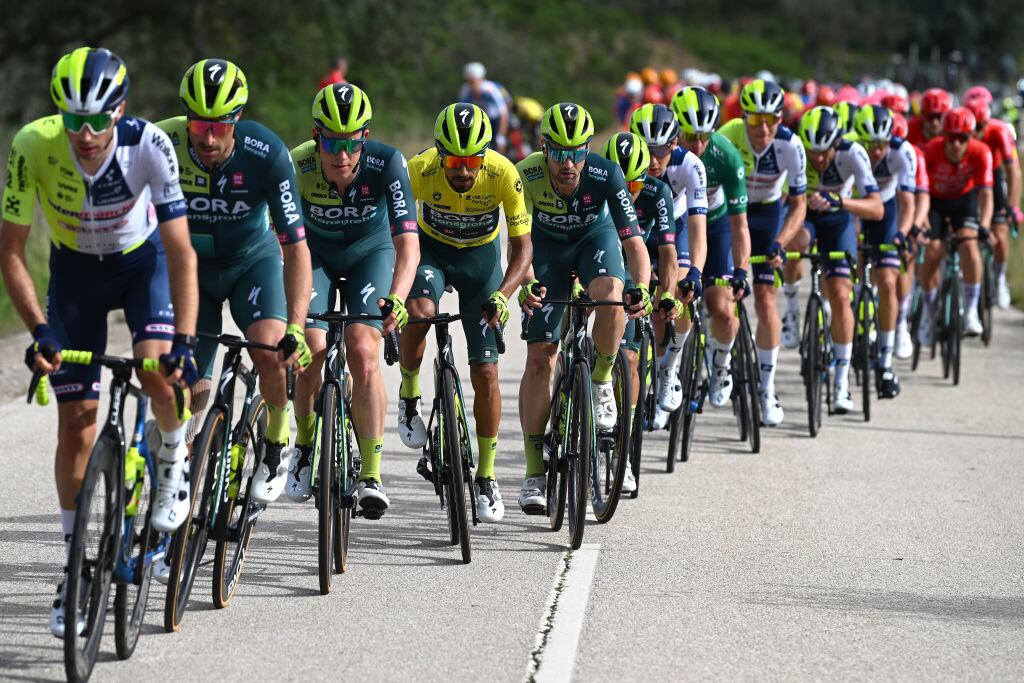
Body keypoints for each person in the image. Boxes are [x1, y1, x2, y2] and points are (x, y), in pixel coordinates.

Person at [0, 47, 198, 636]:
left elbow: (182, 252)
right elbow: (11, 252)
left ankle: (173, 454)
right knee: (77, 418)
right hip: (76, 274)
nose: (85, 135)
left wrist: (184, 340)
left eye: (97, 121)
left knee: (155, 369)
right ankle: (75, 566)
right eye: (72, 120)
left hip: (143, 266)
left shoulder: (149, 147)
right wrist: (39, 330)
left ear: (121, 111)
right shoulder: (33, 145)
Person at [157, 58, 312, 510]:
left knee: (269, 348)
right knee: (183, 379)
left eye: (218, 125)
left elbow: (296, 247)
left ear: (236, 119)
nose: (206, 137)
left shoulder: (267, 153)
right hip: (191, 272)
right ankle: (182, 469)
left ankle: (276, 439)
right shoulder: (161, 143)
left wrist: (297, 326)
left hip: (251, 262)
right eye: (198, 124)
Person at [288, 83, 419, 515]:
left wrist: (398, 299)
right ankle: (304, 447)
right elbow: (279, 243)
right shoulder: (297, 165)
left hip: (371, 253)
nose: (341, 155)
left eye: (351, 144)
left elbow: (407, 245)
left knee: (364, 351)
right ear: (315, 137)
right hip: (317, 255)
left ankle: (371, 473)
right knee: (312, 348)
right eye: (330, 143)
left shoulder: (387, 163)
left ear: (365, 138)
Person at [399, 103, 533, 523]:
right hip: (432, 255)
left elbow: (524, 247)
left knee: (487, 372)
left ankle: (487, 477)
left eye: (472, 161)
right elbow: (393, 230)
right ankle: (408, 396)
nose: (463, 170)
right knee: (419, 312)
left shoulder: (503, 173)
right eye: (454, 161)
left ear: (484, 156)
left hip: (480, 263)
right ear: (439, 154)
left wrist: (505, 295)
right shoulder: (418, 169)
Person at [515, 102, 652, 513]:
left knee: (613, 291)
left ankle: (601, 380)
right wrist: (525, 285)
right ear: (545, 147)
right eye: (559, 152)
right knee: (541, 356)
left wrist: (641, 288)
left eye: (577, 152)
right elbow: (515, 245)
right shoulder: (527, 174)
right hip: (547, 251)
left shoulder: (605, 174)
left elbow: (633, 244)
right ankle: (534, 472)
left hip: (596, 240)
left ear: (588, 150)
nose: (567, 162)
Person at [718, 79, 807, 426]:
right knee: (722, 295)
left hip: (769, 214)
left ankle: (767, 389)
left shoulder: (790, 146)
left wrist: (780, 243)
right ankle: (719, 353)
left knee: (767, 300)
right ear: (744, 117)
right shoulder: (728, 135)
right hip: (730, 212)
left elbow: (798, 206)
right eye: (756, 120)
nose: (765, 128)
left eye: (773, 119)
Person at [602, 132, 679, 491]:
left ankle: (623, 453)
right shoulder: (599, 185)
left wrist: (666, 294)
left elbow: (667, 254)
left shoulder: (657, 192)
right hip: (597, 263)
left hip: (637, 264)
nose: (629, 191)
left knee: (630, 361)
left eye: (636, 183)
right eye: (623, 182)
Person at [797, 106, 883, 413]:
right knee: (793, 243)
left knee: (841, 294)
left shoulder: (853, 152)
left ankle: (842, 383)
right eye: (812, 151)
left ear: (837, 143)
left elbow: (877, 208)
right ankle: (793, 309)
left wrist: (841, 200)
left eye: (824, 151)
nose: (818, 158)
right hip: (804, 217)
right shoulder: (797, 151)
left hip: (838, 219)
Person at [671, 85, 751, 410]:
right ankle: (670, 367)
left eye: (706, 136)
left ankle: (720, 366)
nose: (699, 145)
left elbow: (739, 224)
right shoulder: (663, 155)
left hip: (715, 229)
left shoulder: (726, 156)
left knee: (722, 308)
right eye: (690, 136)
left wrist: (742, 269)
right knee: (675, 297)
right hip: (679, 226)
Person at [628, 103, 707, 426]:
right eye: (646, 149)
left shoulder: (691, 165)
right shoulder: (623, 161)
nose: (653, 158)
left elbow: (700, 227)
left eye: (661, 149)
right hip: (639, 227)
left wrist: (696, 273)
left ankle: (669, 366)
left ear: (674, 144)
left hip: (677, 227)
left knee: (679, 295)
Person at [853, 105, 917, 398]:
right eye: (869, 144)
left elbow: (907, 202)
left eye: (880, 144)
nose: (875, 151)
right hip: (855, 207)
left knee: (889, 282)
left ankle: (885, 363)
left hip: (887, 211)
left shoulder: (902, 151)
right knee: (845, 277)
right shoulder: (851, 146)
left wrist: (902, 234)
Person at [919, 107, 994, 342]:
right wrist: (922, 222)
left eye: (963, 139)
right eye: (952, 138)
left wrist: (984, 225)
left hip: (964, 201)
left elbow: (986, 195)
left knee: (970, 247)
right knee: (932, 252)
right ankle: (929, 313)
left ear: (970, 138)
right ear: (944, 136)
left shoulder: (981, 152)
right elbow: (920, 192)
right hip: (935, 202)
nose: (956, 145)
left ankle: (971, 312)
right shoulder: (930, 150)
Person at [964, 97, 1023, 309]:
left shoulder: (1000, 131)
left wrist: (1013, 208)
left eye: (981, 127)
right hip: (969, 175)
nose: (976, 133)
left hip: (994, 174)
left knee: (1000, 232)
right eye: (973, 128)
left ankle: (999, 278)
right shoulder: (961, 132)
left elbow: (1014, 172)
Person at [458, 62, 510, 154]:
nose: (472, 84)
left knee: (496, 144)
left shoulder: (491, 89)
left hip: (495, 119)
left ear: (481, 79)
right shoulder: (465, 90)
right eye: (470, 81)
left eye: (474, 81)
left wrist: (501, 136)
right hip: (479, 120)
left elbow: (503, 113)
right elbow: (460, 112)